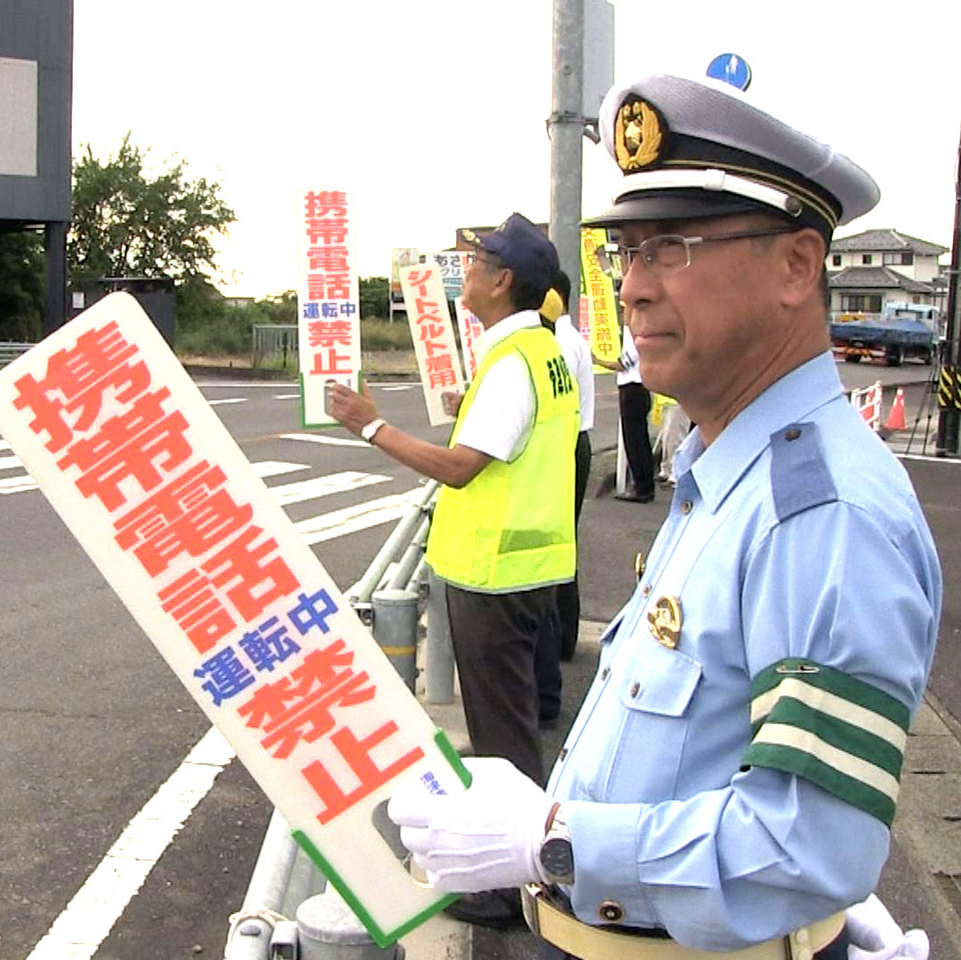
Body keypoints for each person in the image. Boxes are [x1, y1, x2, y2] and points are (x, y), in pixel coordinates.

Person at [389, 72, 941, 959]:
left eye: (671, 248)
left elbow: (808, 845)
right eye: (628, 254)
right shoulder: (728, 469)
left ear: (797, 266)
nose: (635, 288)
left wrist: (552, 839)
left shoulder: (821, 515)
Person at [327, 212, 579, 929]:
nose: (462, 273)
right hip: (530, 567)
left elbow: (461, 469)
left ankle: (510, 889)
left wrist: (372, 426)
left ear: (503, 282)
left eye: (475, 264)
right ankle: (526, 874)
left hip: (494, 576)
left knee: (501, 741)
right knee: (514, 728)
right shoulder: (542, 349)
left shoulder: (510, 364)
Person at [550, 269, 594, 664]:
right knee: (563, 543)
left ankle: (560, 639)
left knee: (557, 546)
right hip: (573, 442)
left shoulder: (560, 341)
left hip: (565, 445)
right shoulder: (568, 337)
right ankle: (562, 638)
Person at [592, 323, 654, 501]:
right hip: (639, 388)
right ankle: (643, 485)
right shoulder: (636, 332)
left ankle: (642, 488)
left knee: (635, 441)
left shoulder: (634, 334)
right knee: (639, 440)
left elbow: (623, 364)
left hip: (633, 388)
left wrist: (597, 361)